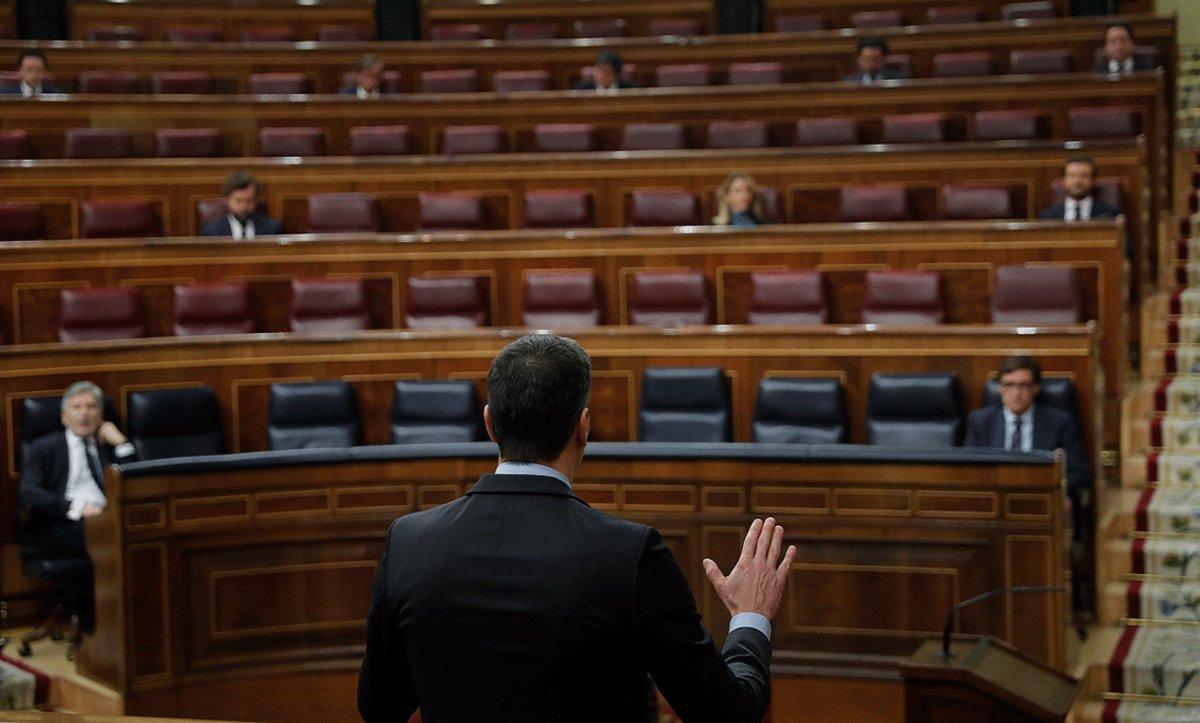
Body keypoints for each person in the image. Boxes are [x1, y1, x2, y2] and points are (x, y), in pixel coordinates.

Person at [358, 334, 796, 722]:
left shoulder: (410, 542)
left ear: (490, 423)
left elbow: (379, 707)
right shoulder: (628, 554)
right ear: (583, 427)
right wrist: (750, 616)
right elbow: (728, 714)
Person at [18, 382, 138, 631]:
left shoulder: (107, 447)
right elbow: (28, 491)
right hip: (62, 522)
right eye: (77, 407)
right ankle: (97, 628)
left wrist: (123, 443)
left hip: (109, 518)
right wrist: (74, 506)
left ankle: (130, 620)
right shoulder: (44, 448)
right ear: (64, 417)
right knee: (101, 535)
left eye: (92, 406)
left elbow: (136, 481)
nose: (84, 413)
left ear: (101, 416)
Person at [963, 355, 1092, 524]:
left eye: (1023, 385)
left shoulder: (1059, 421)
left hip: (1041, 498)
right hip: (995, 500)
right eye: (1009, 385)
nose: (1016, 393)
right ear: (1000, 388)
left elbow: (1078, 471)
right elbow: (969, 469)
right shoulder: (980, 421)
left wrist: (1053, 489)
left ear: (1036, 388)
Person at [200, 171, 283, 238]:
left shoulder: (272, 229)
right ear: (227, 200)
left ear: (256, 200)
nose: (243, 207)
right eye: (238, 201)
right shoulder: (212, 232)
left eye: (249, 201)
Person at [1038, 156, 1121, 222]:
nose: (1077, 181)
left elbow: (1123, 242)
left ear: (1093, 180)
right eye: (1072, 176)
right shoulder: (1048, 217)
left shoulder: (1111, 215)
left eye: (1084, 176)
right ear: (1064, 180)